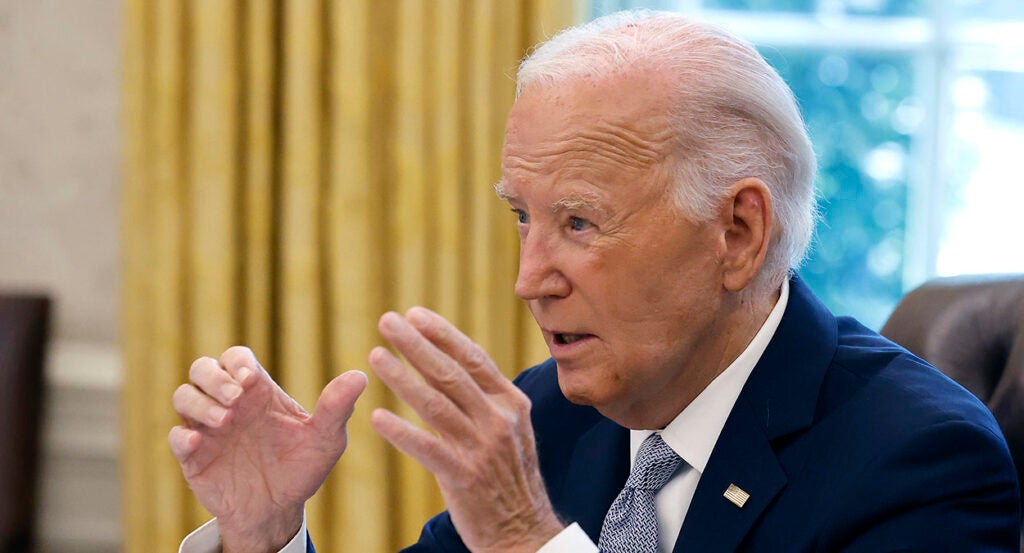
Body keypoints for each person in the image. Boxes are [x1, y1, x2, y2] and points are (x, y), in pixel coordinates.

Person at [172, 10, 1021, 553]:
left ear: (737, 232)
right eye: (521, 217)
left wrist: (522, 542)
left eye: (578, 222)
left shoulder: (918, 459)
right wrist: (263, 533)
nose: (528, 279)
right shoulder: (550, 415)